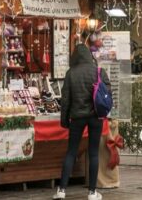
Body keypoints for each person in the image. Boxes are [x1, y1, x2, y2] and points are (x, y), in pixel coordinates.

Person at [54, 34, 111, 200]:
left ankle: (62, 190)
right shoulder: (99, 71)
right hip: (95, 116)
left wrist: (64, 120)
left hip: (77, 117)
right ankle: (92, 192)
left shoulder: (71, 73)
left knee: (71, 151)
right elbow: (107, 92)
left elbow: (66, 99)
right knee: (93, 153)